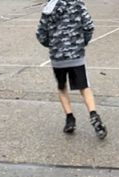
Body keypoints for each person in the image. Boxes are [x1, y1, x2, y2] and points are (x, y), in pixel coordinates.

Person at [36, 0, 107, 139]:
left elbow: (41, 32)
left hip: (57, 56)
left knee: (62, 87)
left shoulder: (48, 7)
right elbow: (88, 26)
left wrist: (52, 44)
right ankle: (93, 115)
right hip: (76, 53)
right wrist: (82, 42)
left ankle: (69, 118)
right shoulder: (78, 4)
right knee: (84, 87)